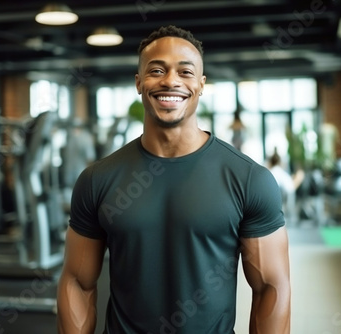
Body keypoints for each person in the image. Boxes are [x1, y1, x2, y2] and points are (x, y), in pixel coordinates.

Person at [57, 25, 291, 334]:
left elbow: (272, 288)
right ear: (139, 83)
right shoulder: (97, 180)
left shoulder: (249, 180)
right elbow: (77, 282)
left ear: (201, 84)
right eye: (156, 70)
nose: (170, 81)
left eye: (185, 72)